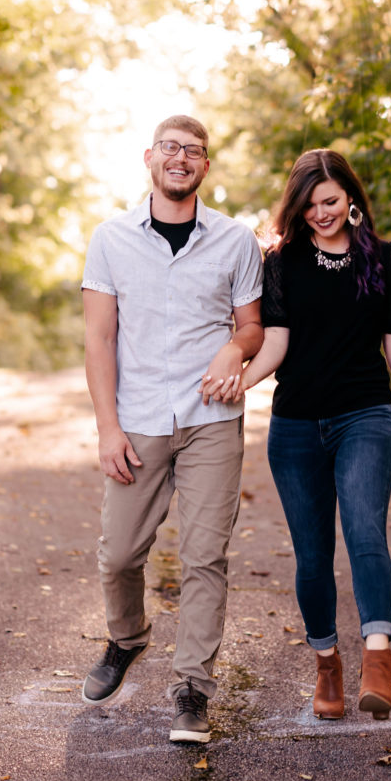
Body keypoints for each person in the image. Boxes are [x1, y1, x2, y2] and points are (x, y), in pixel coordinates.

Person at [231, 148, 391, 721]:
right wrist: (238, 383)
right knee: (313, 557)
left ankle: (377, 658)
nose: (321, 213)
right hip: (295, 425)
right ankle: (327, 664)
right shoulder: (282, 263)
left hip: (364, 415)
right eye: (310, 204)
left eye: (330, 201)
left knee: (366, 531)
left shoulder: (385, 261)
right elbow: (275, 344)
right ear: (296, 207)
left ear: (351, 200)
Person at [80, 115, 263, 743]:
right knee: (120, 554)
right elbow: (100, 339)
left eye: (193, 151)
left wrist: (233, 351)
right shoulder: (109, 238)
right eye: (170, 148)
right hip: (139, 419)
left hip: (211, 419)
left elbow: (252, 328)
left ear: (206, 166)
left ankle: (192, 688)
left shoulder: (236, 240)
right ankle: (127, 639)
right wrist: (108, 428)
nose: (180, 158)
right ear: (150, 158)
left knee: (204, 556)